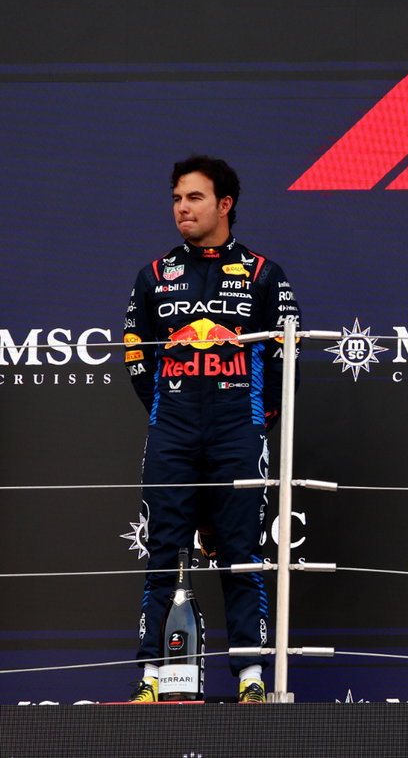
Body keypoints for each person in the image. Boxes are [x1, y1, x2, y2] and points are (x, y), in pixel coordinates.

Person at [122, 156, 300, 703]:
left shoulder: (264, 274)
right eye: (177, 198)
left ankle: (251, 680)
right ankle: (150, 680)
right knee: (163, 557)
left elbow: (282, 363)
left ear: (225, 205)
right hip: (172, 432)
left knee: (242, 556)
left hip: (237, 432)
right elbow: (136, 356)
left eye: (194, 198)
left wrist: (256, 421)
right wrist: (167, 410)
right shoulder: (154, 276)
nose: (182, 209)